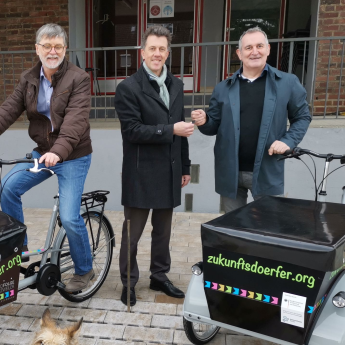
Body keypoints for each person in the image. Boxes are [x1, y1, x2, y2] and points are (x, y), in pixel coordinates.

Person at [0, 23, 94, 293]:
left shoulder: (79, 78)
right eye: (47, 45)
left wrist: (59, 151)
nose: (52, 51)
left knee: (68, 217)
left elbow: (75, 121)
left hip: (73, 155)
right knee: (9, 188)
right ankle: (18, 249)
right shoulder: (29, 79)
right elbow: (7, 110)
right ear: (37, 49)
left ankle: (84, 269)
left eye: (58, 46)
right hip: (42, 154)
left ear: (65, 49)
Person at [191, 26, 311, 213]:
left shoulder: (287, 83)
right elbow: (212, 127)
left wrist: (288, 141)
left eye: (259, 46)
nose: (254, 52)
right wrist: (204, 120)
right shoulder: (223, 88)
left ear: (268, 49)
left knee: (267, 230)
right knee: (232, 231)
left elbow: (303, 117)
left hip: (267, 171)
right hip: (230, 172)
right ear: (239, 53)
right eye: (248, 48)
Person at [114, 25, 192, 306]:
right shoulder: (128, 88)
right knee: (131, 234)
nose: (157, 54)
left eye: (162, 49)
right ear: (142, 52)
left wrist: (185, 167)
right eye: (152, 48)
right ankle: (128, 283)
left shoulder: (177, 85)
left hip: (170, 170)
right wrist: (170, 130)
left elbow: (181, 132)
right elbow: (132, 131)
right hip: (140, 173)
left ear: (167, 53)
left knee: (163, 232)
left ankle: (159, 275)